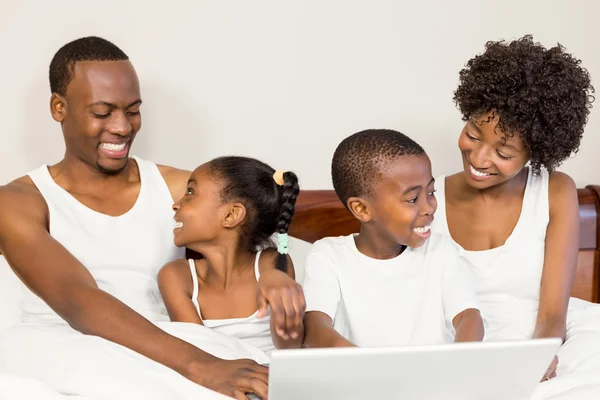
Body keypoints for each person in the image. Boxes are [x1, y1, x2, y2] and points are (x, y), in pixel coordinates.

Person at [0, 36, 302, 400]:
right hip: (63, 341)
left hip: (172, 341)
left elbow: (255, 227)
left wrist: (275, 273)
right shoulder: (18, 201)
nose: (123, 127)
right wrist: (200, 366)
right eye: (102, 112)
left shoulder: (179, 188)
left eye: (132, 110)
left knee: (262, 380)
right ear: (59, 108)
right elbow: (77, 299)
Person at [430, 35, 600, 398]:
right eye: (473, 134)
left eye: (503, 151)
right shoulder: (426, 197)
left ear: (535, 152)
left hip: (539, 337)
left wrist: (536, 357)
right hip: (459, 342)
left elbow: (553, 312)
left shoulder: (555, 191)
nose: (478, 158)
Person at [302, 129, 485, 349]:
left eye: (431, 192)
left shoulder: (440, 249)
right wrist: (376, 370)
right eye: (413, 198)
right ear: (361, 209)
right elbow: (315, 329)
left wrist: (458, 360)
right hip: (364, 378)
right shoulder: (328, 256)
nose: (429, 207)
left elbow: (469, 317)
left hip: (433, 378)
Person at [158, 156, 305, 354]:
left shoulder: (271, 262)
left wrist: (285, 309)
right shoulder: (176, 276)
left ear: (231, 215)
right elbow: (199, 354)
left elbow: (289, 348)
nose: (176, 204)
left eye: (190, 192)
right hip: (213, 378)